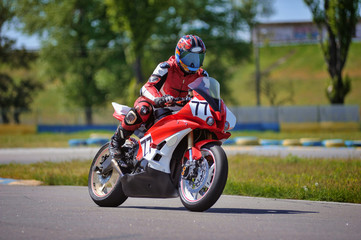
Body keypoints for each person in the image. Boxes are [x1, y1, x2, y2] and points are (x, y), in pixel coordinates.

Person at [109, 35, 209, 166]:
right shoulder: (166, 67)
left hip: (183, 113)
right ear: (179, 54)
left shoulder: (202, 75)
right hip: (158, 107)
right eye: (189, 58)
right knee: (143, 109)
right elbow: (146, 87)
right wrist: (159, 99)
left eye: (197, 59)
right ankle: (115, 142)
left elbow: (207, 97)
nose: (192, 63)